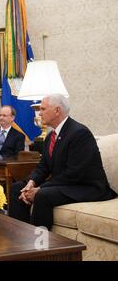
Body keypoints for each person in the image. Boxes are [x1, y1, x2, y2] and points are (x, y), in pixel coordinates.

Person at [9, 94, 116, 230]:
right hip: (66, 183)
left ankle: (41, 244)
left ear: (57, 111)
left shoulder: (79, 133)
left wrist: (40, 188)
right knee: (17, 188)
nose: (39, 113)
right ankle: (19, 237)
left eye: (43, 109)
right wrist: (31, 183)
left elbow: (74, 173)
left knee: (42, 195)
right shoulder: (50, 137)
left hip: (86, 187)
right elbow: (43, 167)